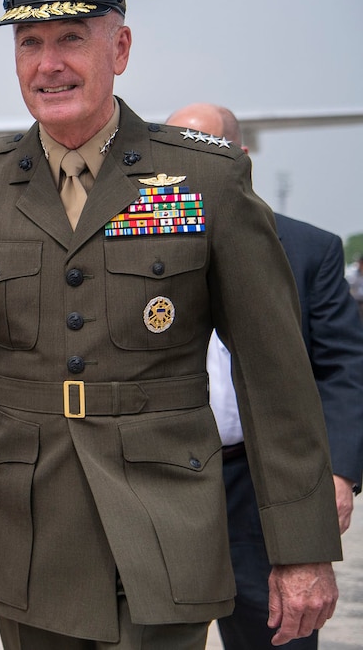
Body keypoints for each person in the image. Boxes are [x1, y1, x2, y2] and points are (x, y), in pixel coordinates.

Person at [0, 0, 342, 650]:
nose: (48, 63)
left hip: (166, 522)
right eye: (30, 42)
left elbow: (273, 370)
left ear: (119, 48)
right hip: (29, 531)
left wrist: (301, 544)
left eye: (71, 38)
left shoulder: (204, 181)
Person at [166, 102, 363, 650]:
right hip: (163, 483)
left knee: (275, 634)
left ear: (241, 158)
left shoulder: (307, 249)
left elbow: (344, 369)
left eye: (203, 150)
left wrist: (340, 474)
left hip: (260, 486)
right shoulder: (131, 243)